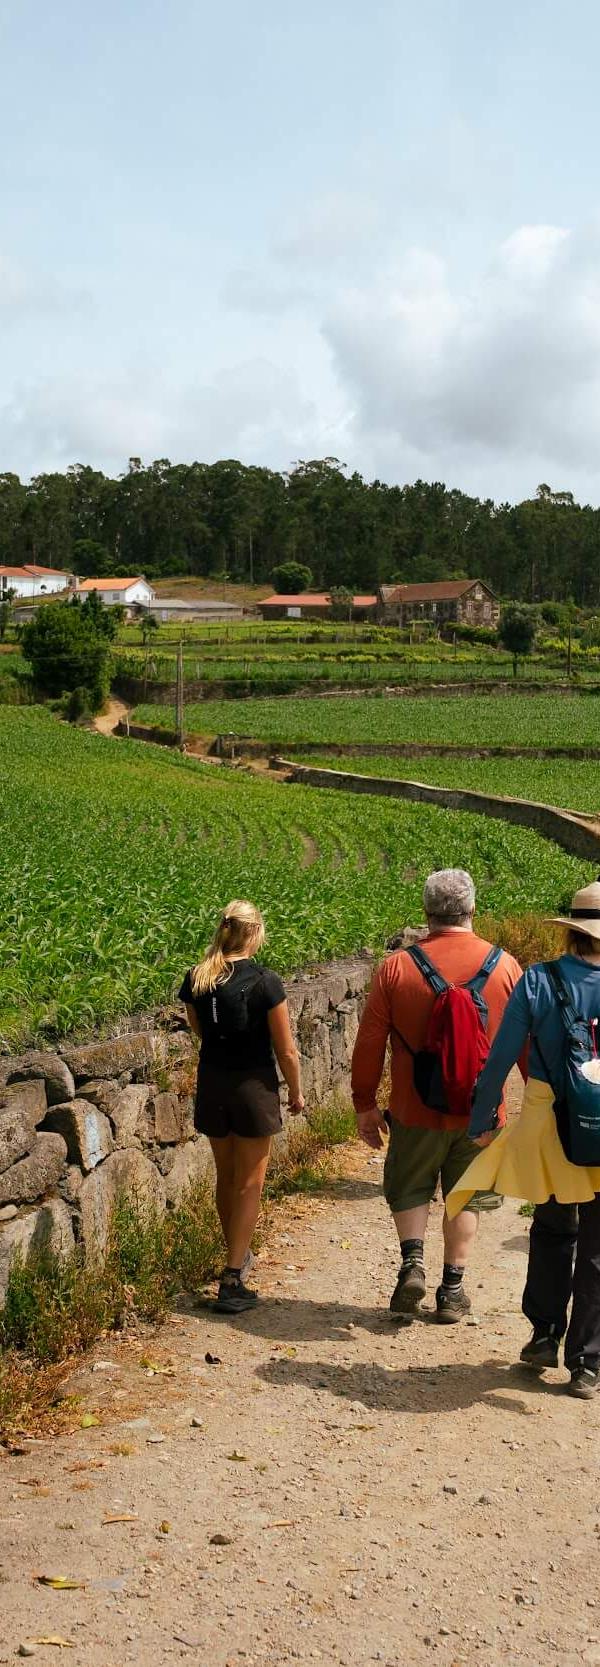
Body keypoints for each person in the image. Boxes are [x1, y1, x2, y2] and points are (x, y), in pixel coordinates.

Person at [446, 880, 600, 1400]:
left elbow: (498, 1059)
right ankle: (587, 1363)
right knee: (599, 1245)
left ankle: (544, 1335)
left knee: (555, 1226)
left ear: (571, 932)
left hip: (549, 1121)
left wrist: (482, 1117)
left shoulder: (538, 980)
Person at [351, 869, 523, 1323]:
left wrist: (364, 1103)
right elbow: (527, 1045)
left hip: (414, 1107)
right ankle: (452, 1288)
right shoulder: (505, 967)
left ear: (426, 914)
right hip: (482, 1113)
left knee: (410, 1185)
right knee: (465, 1196)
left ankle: (412, 1263)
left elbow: (369, 1041)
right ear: (472, 910)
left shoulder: (396, 968)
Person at [179, 899, 304, 1314]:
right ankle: (232, 1278)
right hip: (253, 1087)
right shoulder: (266, 982)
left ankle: (236, 1253)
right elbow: (286, 1050)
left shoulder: (197, 978)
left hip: (213, 1083)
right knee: (250, 1182)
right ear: (254, 932)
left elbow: (199, 1030)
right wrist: (296, 1091)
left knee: (226, 1175)